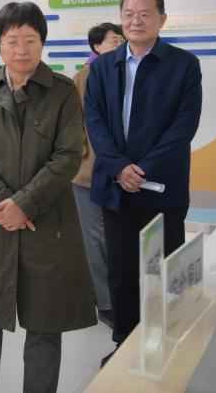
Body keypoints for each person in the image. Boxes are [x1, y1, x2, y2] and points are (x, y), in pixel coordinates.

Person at [0, 2, 96, 393]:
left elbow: (69, 154)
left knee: (45, 327)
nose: (21, 49)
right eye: (12, 41)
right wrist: (4, 202)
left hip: (46, 224)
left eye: (30, 40)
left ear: (42, 42)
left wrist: (25, 204)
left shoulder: (63, 92)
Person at [84, 0, 203, 365]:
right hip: (115, 187)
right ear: (121, 18)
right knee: (121, 272)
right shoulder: (102, 66)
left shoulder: (184, 65)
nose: (135, 21)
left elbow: (183, 127)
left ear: (162, 19)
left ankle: (164, 343)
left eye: (145, 14)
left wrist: (143, 169)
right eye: (129, 14)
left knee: (164, 270)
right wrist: (119, 167)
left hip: (163, 188)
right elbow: (94, 122)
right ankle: (125, 343)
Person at [71, 22, 124, 328]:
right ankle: (105, 302)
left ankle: (120, 295)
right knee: (96, 239)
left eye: (121, 40)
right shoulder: (83, 78)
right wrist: (85, 158)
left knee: (117, 237)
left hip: (124, 173)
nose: (120, 45)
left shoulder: (127, 72)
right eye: (114, 41)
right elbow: (74, 126)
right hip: (88, 174)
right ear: (96, 47)